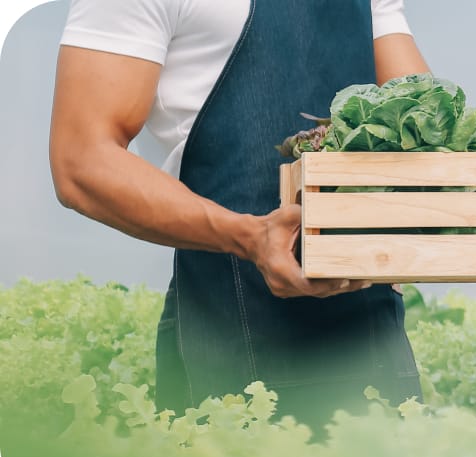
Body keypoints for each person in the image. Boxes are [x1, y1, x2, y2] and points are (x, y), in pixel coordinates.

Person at [49, 0, 431, 432]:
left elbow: (423, 127)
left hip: (370, 334)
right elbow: (81, 160)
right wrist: (249, 237)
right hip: (231, 328)